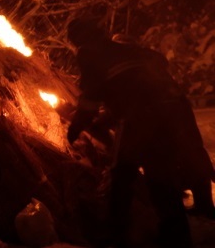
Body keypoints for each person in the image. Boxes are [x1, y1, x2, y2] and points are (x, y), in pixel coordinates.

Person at [65, 16, 215, 248]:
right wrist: (107, 118)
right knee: (161, 176)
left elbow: (91, 98)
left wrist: (75, 127)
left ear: (79, 40)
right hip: (173, 109)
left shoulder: (90, 53)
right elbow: (134, 86)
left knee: (122, 174)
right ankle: (177, 236)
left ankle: (117, 236)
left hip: (144, 117)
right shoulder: (124, 49)